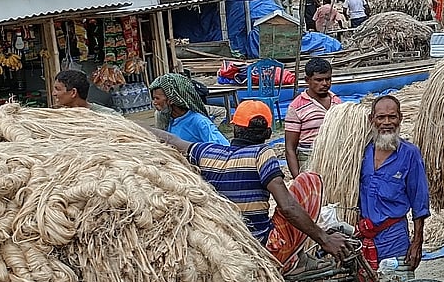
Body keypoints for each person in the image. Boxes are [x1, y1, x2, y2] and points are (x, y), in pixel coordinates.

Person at [149, 100, 349, 268]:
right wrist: (324, 239)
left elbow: (169, 139)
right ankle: (294, 261)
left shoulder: (207, 152)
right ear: (268, 133)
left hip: (223, 242)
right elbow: (287, 206)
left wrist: (129, 125)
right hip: (260, 247)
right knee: (308, 181)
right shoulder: (262, 154)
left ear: (234, 128)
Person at [361, 95, 429, 271]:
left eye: (392, 117)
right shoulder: (360, 153)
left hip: (394, 239)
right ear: (371, 119)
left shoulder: (410, 154)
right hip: (362, 238)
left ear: (400, 118)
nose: (386, 122)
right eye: (381, 117)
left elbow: (419, 202)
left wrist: (417, 242)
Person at [284, 57, 342, 179]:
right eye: (319, 80)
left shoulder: (337, 103)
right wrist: (298, 179)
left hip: (335, 160)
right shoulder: (297, 107)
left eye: (328, 79)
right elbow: (290, 148)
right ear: (307, 80)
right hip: (309, 160)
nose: (325, 83)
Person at [149, 73, 228, 145]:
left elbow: (223, 148)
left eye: (157, 98)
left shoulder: (199, 122)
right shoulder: (166, 119)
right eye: (153, 98)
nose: (154, 102)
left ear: (171, 100)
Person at [53, 69, 118, 115]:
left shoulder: (108, 116)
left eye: (58, 89)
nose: (53, 94)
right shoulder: (59, 116)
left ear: (73, 92)